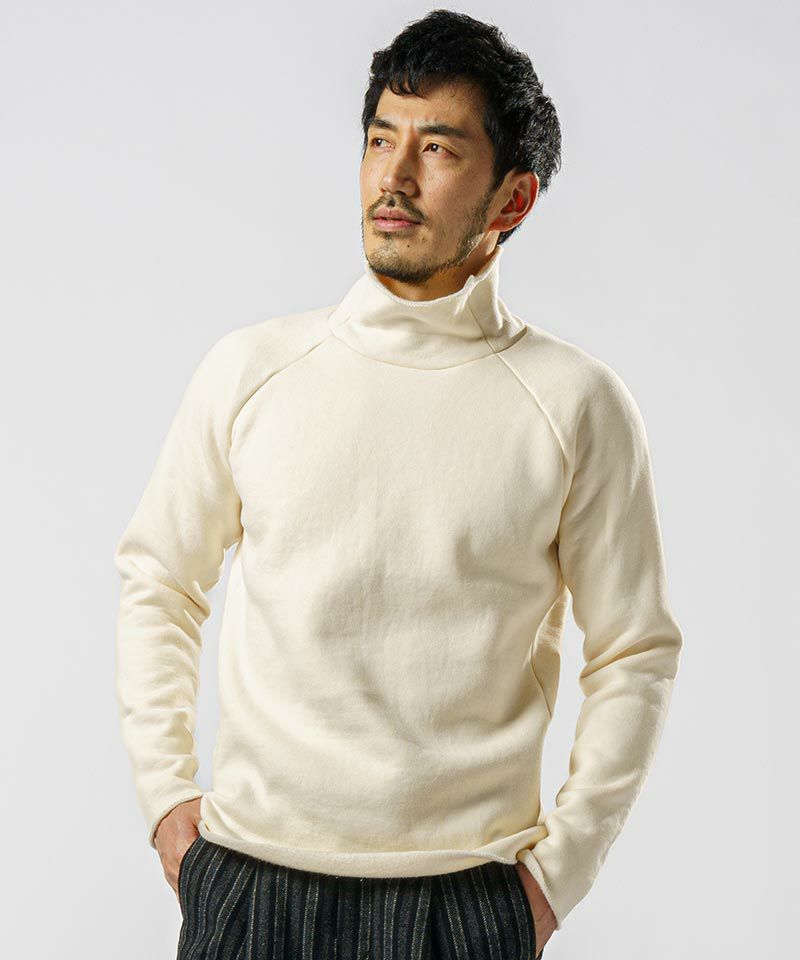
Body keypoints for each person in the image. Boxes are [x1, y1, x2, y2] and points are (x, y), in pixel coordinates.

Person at [114, 10, 683, 959]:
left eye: (439, 149)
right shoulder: (252, 371)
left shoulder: (573, 404)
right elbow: (159, 581)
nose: (395, 176)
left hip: (462, 902)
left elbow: (635, 649)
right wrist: (168, 800)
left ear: (513, 199)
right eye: (381, 139)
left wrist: (556, 879)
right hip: (250, 885)